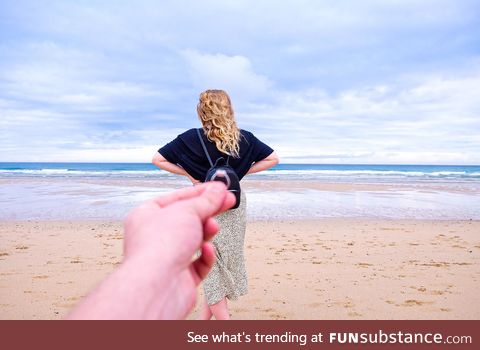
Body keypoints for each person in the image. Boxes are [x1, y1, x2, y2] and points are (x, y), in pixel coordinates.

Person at [153, 90, 279, 320]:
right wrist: (240, 173)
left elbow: (157, 160)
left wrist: (191, 177)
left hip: (204, 202)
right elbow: (273, 158)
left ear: (202, 111)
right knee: (219, 264)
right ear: (228, 109)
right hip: (233, 203)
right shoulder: (245, 138)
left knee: (211, 263)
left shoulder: (190, 138)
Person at [68, 182, 235, 320]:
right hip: (217, 205)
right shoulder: (197, 142)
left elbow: (158, 159)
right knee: (214, 270)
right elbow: (158, 159)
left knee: (215, 271)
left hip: (220, 210)